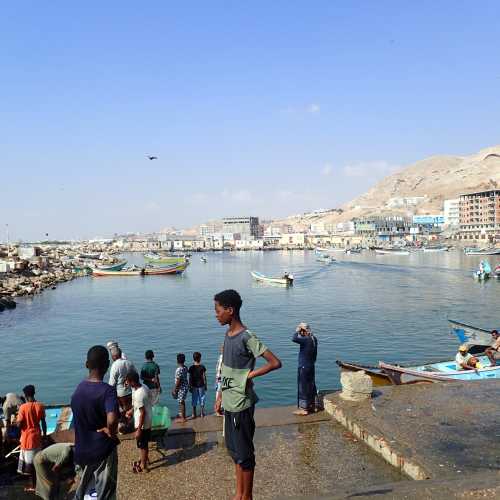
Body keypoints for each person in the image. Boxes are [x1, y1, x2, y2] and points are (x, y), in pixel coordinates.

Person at [214, 289, 281, 500]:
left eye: (218, 310)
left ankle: (247, 496)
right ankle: (239, 494)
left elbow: (274, 362)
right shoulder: (227, 335)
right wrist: (220, 396)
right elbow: (225, 368)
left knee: (245, 456)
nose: (215, 314)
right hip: (229, 403)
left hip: (242, 405)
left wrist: (248, 375)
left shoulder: (246, 336)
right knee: (235, 454)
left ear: (230, 311)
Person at [71, 345, 120, 500]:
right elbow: (112, 419)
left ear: (87, 365)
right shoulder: (107, 391)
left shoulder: (78, 389)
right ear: (106, 365)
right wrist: (110, 432)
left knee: (84, 492)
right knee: (104, 494)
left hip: (81, 451)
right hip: (102, 451)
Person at [17, 384, 47, 493]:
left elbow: (19, 425)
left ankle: (34, 486)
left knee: (30, 465)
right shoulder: (40, 405)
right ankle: (36, 483)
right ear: (34, 393)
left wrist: (17, 422)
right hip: (37, 437)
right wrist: (44, 436)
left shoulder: (23, 407)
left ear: (25, 395)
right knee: (37, 461)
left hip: (27, 439)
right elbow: (43, 422)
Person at [125, 371, 152, 473]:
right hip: (148, 419)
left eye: (127, 381)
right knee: (143, 443)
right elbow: (146, 402)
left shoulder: (139, 394)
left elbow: (142, 412)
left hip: (143, 423)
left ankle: (143, 466)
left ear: (132, 382)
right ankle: (144, 459)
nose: (126, 383)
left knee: (143, 445)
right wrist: (132, 411)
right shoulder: (144, 387)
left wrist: (139, 429)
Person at [292, 322, 318, 415]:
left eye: (301, 331)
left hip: (304, 366)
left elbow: (294, 338)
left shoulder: (305, 340)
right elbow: (315, 355)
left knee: (303, 386)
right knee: (311, 385)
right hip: (311, 365)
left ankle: (304, 409)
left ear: (303, 331)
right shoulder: (313, 339)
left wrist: (297, 330)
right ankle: (313, 405)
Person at [108, 346, 135, 430]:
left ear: (114, 356)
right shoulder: (129, 363)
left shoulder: (115, 365)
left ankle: (123, 429)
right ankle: (130, 426)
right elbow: (135, 375)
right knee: (129, 411)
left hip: (120, 394)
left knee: (121, 412)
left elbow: (112, 383)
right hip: (130, 391)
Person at [189, 352, 207, 418]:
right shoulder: (202, 367)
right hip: (201, 385)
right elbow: (204, 377)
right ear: (200, 358)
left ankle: (194, 414)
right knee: (202, 398)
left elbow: (190, 378)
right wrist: (206, 385)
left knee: (194, 399)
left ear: (193, 359)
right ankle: (202, 413)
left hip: (194, 386)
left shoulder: (191, 368)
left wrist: (190, 386)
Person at [172, 353, 189, 422]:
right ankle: (181, 414)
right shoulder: (185, 367)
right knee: (181, 401)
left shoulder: (179, 370)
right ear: (184, 360)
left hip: (181, 388)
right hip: (185, 386)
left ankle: (183, 418)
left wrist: (175, 389)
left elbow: (178, 380)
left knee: (181, 402)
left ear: (177, 361)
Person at [214, 345, 224, 416]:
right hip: (220, 378)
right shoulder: (223, 357)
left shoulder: (220, 357)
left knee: (218, 394)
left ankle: (219, 410)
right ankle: (218, 410)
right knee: (219, 395)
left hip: (218, 378)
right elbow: (220, 368)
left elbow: (217, 368)